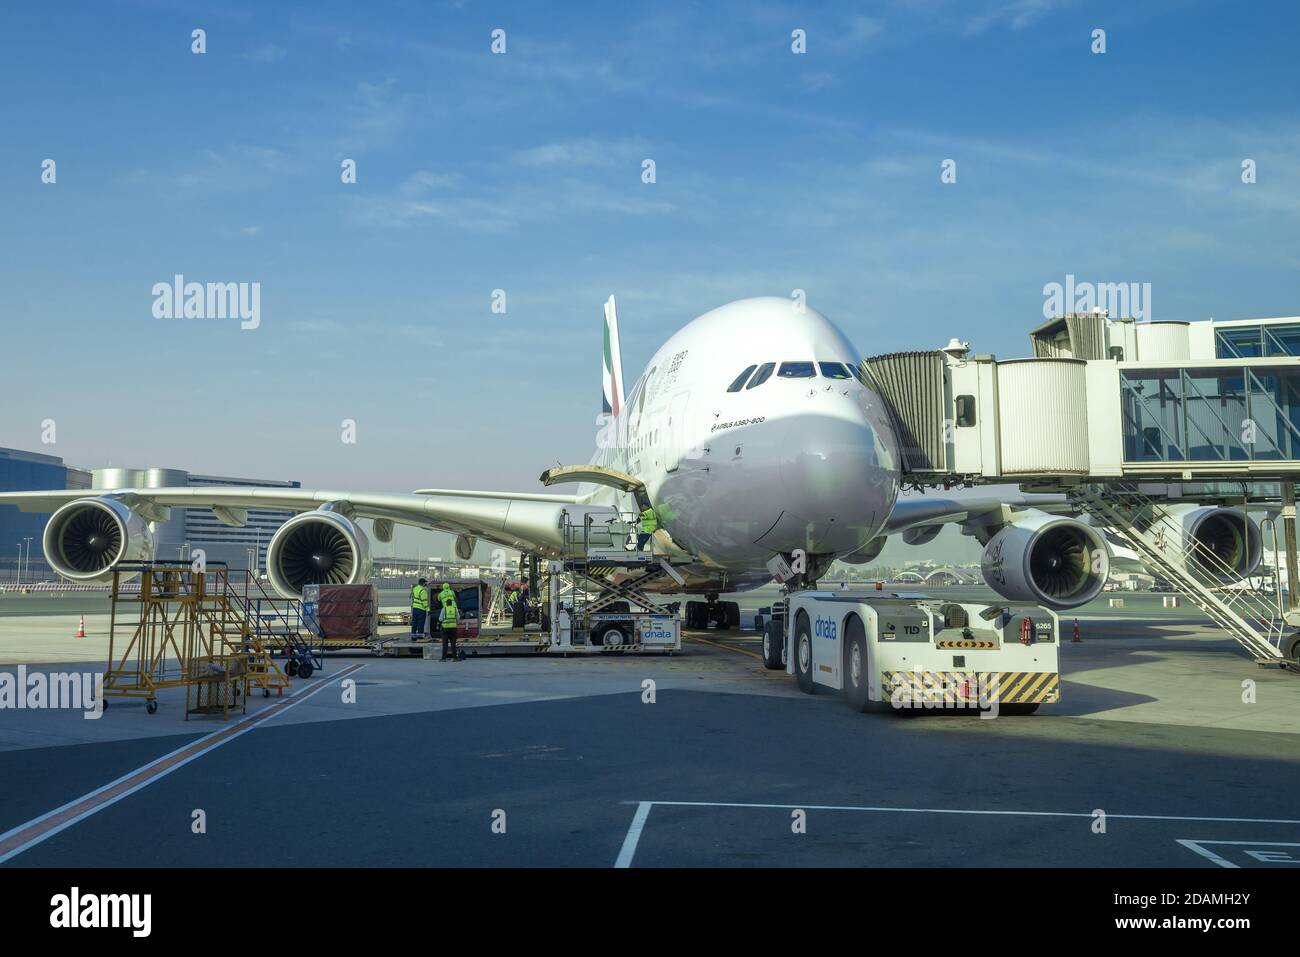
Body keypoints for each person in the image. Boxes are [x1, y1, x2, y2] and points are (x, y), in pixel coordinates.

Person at [438, 582, 460, 660]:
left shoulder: (444, 608)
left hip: (445, 628)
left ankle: (443, 658)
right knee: (453, 644)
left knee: (445, 644)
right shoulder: (455, 609)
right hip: (453, 628)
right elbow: (458, 618)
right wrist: (456, 623)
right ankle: (455, 658)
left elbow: (440, 619)